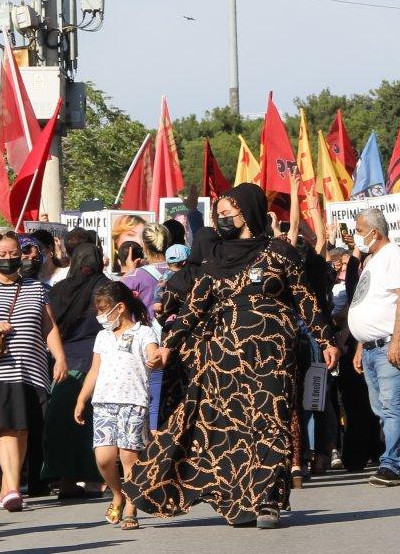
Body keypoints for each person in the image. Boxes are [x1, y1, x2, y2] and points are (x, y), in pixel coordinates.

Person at [123, 184, 337, 529]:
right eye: (219, 215)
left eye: (228, 214)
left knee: (272, 421)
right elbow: (194, 309)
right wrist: (169, 345)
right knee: (234, 429)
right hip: (224, 359)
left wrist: (327, 339)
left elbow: (305, 298)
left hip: (273, 353)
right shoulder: (215, 258)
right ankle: (239, 499)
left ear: (249, 212)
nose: (222, 220)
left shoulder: (279, 253)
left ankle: (268, 501)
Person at [0, 234, 68, 512]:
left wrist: (60, 358)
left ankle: (9, 487)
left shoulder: (38, 288)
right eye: (2, 255)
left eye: (12, 254)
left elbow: (49, 327)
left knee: (21, 428)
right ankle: (10, 487)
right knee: (6, 426)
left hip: (31, 369)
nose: (8, 259)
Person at [75, 281, 160, 532]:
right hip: (103, 402)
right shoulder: (102, 336)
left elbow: (152, 352)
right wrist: (81, 398)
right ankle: (117, 494)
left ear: (120, 307)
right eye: (98, 311)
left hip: (133, 402)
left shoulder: (144, 332)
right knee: (103, 458)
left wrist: (156, 357)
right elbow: (94, 370)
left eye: (104, 310)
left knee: (128, 458)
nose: (100, 316)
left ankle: (131, 507)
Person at [347, 207, 400, 485]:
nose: (357, 236)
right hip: (372, 347)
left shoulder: (393, 255)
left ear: (375, 232)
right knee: (383, 409)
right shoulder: (373, 259)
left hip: (389, 344)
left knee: (392, 406)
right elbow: (368, 302)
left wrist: (397, 340)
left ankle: (392, 465)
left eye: (360, 231)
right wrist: (362, 344)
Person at [42, 243, 107, 498]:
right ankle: (95, 478)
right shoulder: (105, 287)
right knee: (92, 420)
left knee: (64, 421)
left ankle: (66, 479)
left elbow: (49, 325)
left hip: (63, 363)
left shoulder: (59, 290)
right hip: (97, 361)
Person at [128, 223, 170, 430]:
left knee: (150, 395)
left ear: (144, 245)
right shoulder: (185, 269)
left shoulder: (135, 277)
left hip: (147, 345)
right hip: (177, 341)